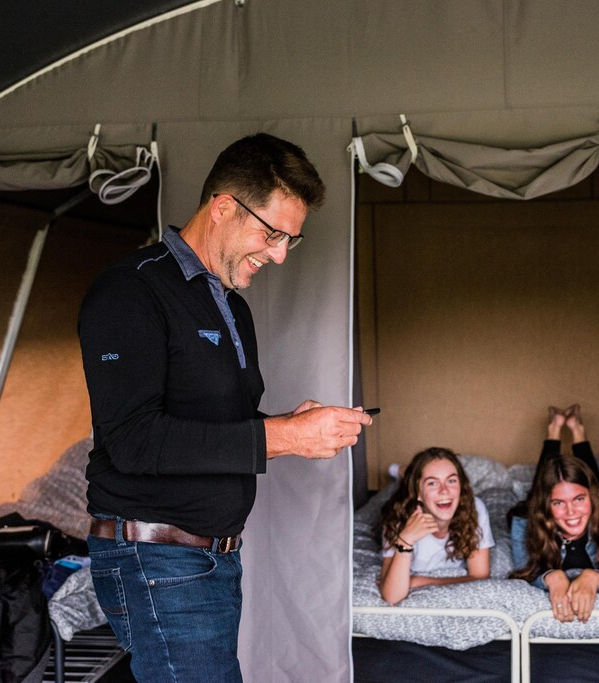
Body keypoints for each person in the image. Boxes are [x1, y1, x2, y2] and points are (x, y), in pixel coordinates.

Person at [77, 133, 373, 682]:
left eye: (290, 240)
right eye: (272, 233)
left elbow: (216, 427)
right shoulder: (130, 291)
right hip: (158, 557)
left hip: (210, 559)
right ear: (222, 208)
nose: (279, 254)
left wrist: (291, 427)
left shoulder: (231, 306)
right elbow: (134, 441)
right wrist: (285, 437)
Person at [509, 404, 599, 623]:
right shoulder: (524, 522)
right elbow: (524, 576)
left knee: (592, 484)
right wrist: (552, 578)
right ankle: (554, 429)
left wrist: (594, 577)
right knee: (544, 482)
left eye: (579, 499)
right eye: (558, 502)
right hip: (538, 507)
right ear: (547, 505)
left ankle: (577, 429)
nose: (571, 512)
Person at [377, 447, 494, 604]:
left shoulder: (475, 508)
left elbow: (480, 576)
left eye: (451, 481)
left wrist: (419, 581)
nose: (444, 490)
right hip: (407, 499)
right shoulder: (397, 518)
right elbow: (392, 596)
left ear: (461, 487)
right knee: (399, 487)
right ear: (418, 492)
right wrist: (405, 540)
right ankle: (401, 472)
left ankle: (405, 472)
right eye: (432, 483)